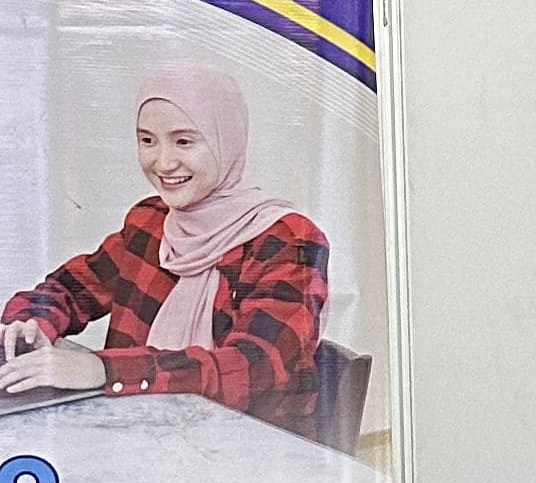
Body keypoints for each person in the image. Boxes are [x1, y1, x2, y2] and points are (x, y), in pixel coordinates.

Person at [0, 62, 327, 430]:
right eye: (147, 140)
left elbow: (257, 365)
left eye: (184, 141)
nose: (163, 162)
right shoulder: (151, 221)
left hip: (246, 445)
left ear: (227, 139)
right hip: (139, 431)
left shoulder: (288, 239)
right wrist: (31, 323)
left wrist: (103, 369)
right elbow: (72, 287)